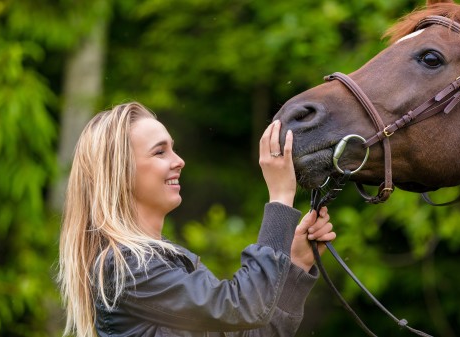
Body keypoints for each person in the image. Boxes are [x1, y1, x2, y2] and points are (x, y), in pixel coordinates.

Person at [57, 102, 336, 337]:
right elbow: (243, 306)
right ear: (120, 173)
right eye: (159, 151)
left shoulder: (165, 263)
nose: (179, 161)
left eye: (173, 148)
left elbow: (252, 327)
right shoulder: (124, 268)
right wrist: (280, 197)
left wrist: (296, 265)